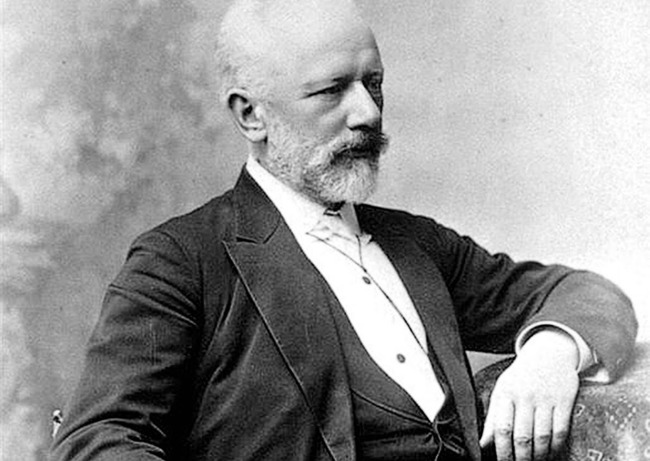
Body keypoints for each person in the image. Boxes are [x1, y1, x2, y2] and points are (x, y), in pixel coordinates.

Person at [49, 1, 637, 460]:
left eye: (373, 83)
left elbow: (587, 293)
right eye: (332, 90)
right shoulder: (181, 262)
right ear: (251, 115)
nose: (368, 113)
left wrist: (550, 354)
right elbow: (98, 437)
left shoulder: (418, 246)